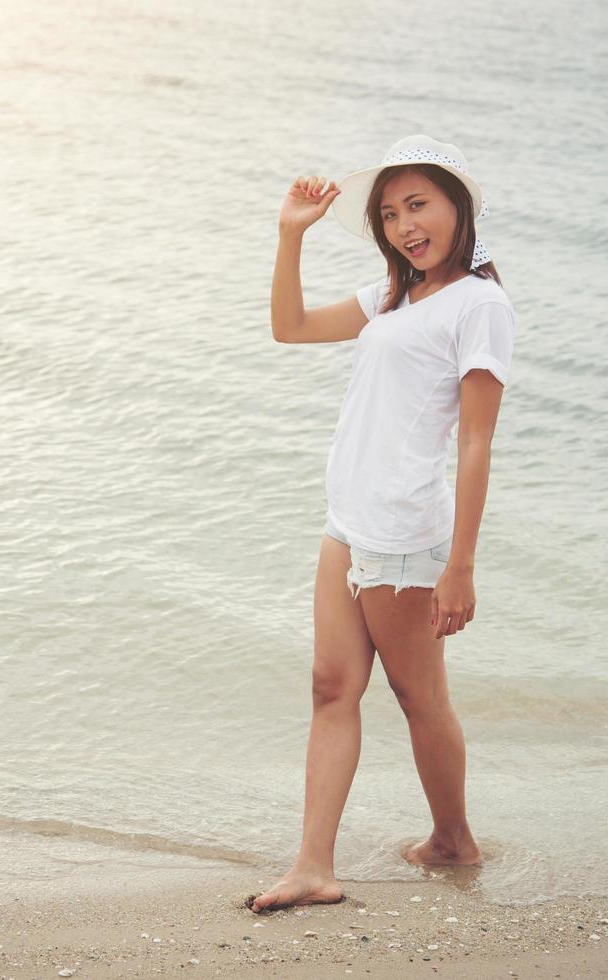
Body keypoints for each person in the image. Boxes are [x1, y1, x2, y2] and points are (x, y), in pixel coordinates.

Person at [248, 135, 515, 914]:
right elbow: (289, 327)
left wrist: (460, 565)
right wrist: (290, 234)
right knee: (331, 687)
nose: (404, 226)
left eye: (419, 205)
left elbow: (474, 441)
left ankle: (453, 840)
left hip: (406, 535)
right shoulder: (395, 294)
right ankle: (310, 867)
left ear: (460, 209)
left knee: (415, 696)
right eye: (390, 213)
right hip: (348, 522)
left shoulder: (480, 304)